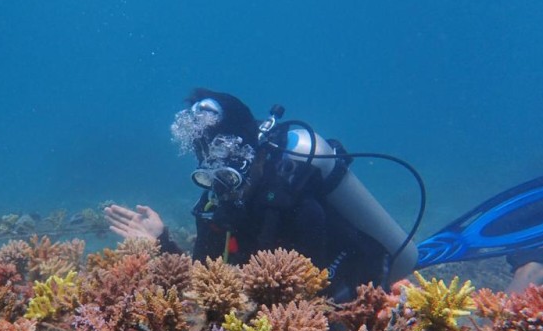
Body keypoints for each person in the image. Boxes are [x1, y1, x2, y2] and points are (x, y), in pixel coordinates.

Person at [105, 88, 419, 302]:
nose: (224, 189)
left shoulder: (295, 202)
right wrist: (162, 242)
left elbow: (308, 295)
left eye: (229, 175)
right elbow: (203, 278)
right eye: (210, 176)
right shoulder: (218, 203)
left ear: (252, 156)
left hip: (352, 290)